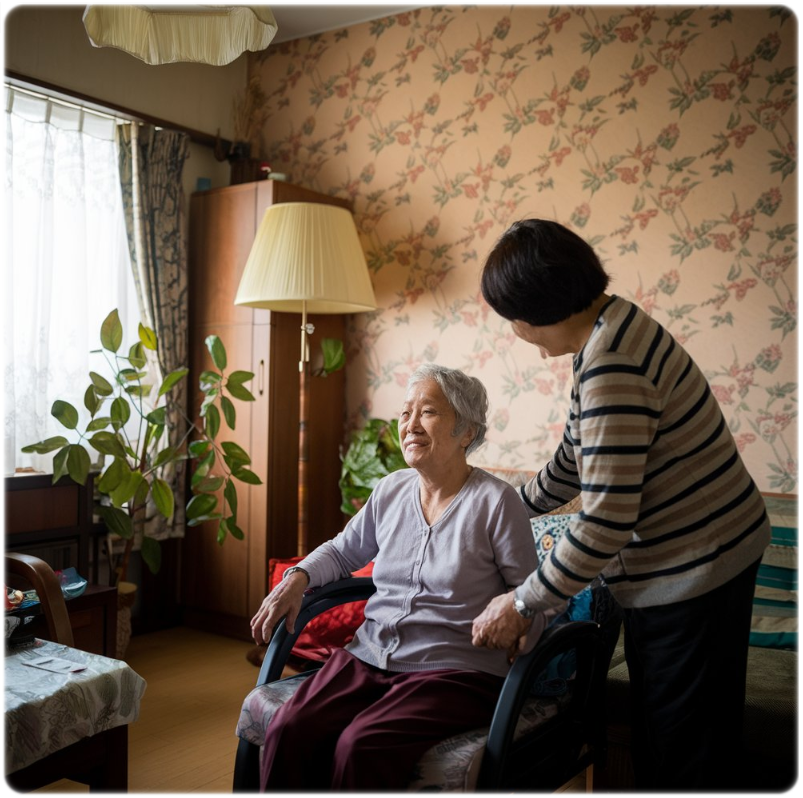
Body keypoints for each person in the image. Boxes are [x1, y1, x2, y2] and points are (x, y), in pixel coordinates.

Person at [471, 218, 771, 791]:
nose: (515, 330)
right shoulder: (608, 327)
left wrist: (522, 601)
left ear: (538, 308)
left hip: (697, 570)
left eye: (512, 316)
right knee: (668, 738)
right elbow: (571, 461)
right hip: (702, 556)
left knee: (683, 754)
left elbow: (605, 521)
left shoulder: (612, 362)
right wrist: (500, 506)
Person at [250, 364, 552, 792]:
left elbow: (530, 595)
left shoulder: (497, 502)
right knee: (290, 728)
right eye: (405, 412)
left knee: (361, 745)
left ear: (466, 431)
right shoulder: (391, 489)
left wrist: (523, 630)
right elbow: (342, 551)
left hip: (455, 671)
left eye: (427, 412)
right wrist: (298, 577)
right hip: (369, 656)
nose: (410, 425)